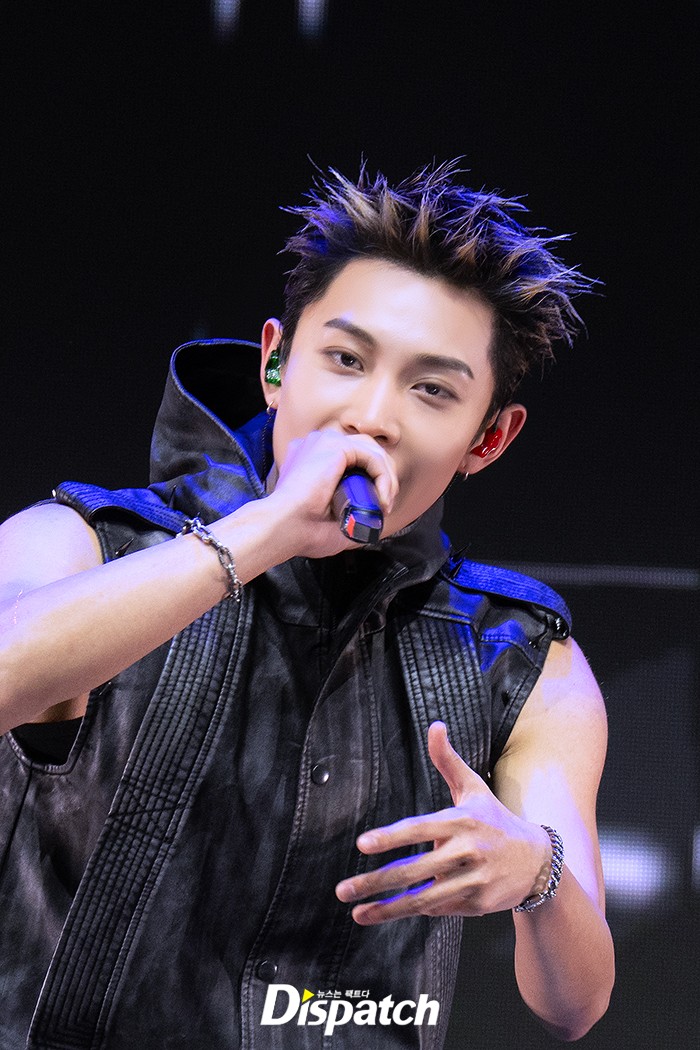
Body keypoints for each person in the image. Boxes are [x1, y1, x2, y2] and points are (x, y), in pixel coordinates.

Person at [0, 162, 614, 1049]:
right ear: (276, 363)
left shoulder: (519, 657)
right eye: (346, 360)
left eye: (432, 389)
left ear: (488, 438)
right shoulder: (80, 543)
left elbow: (576, 1002)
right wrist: (264, 531)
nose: (372, 414)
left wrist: (536, 872)